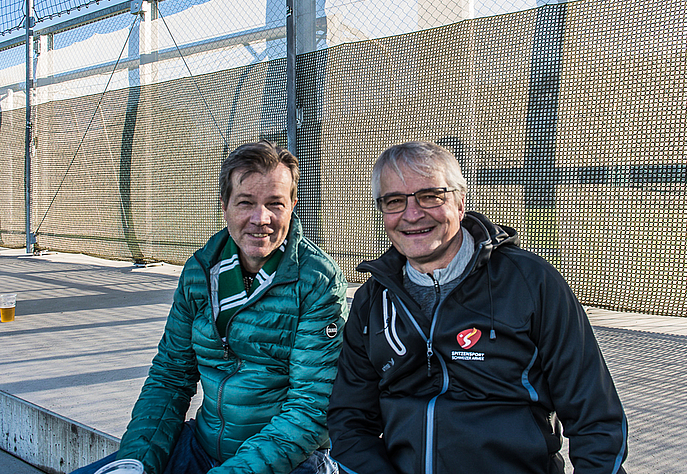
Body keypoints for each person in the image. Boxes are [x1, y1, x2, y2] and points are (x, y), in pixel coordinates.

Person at [327, 141, 628, 474]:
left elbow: (595, 417)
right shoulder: (373, 300)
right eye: (395, 201)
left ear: (460, 203)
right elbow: (349, 418)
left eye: (430, 196)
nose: (412, 214)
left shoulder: (529, 281)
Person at [72, 141, 349, 474]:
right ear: (224, 205)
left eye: (275, 204)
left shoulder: (317, 281)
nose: (261, 218)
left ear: (292, 205)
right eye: (246, 202)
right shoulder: (200, 271)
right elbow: (170, 377)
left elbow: (312, 407)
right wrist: (137, 460)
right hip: (202, 447)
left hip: (291, 460)